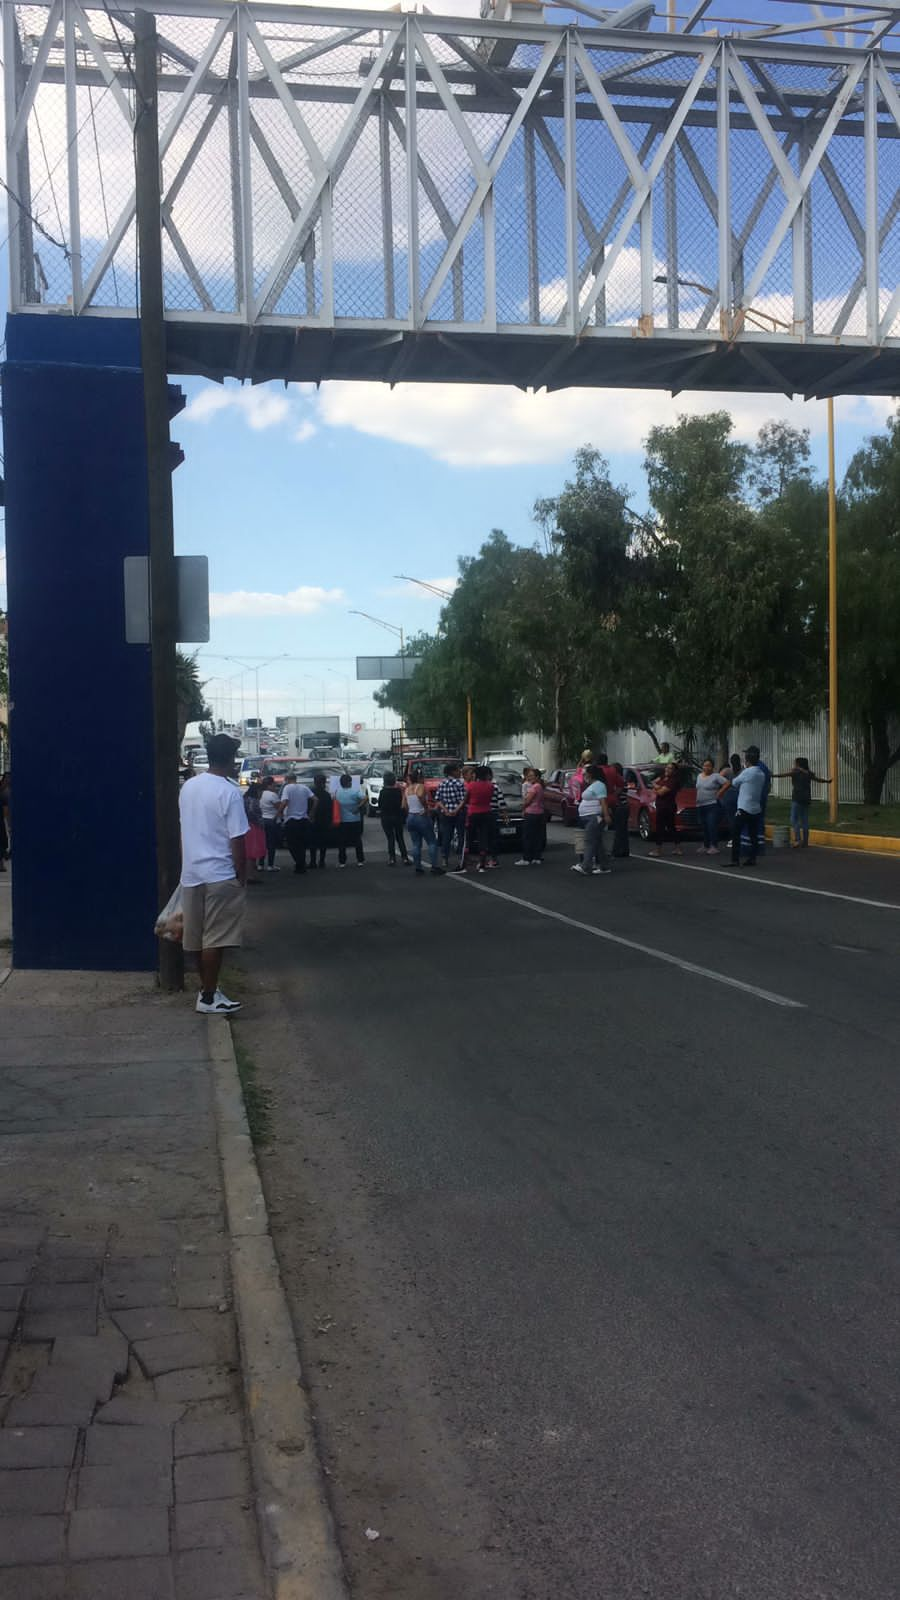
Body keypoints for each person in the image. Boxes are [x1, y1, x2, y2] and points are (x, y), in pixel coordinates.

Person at [178, 733, 247, 1015]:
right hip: (219, 873)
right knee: (216, 939)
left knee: (195, 938)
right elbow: (238, 839)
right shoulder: (229, 792)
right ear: (231, 759)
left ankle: (207, 989)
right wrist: (241, 875)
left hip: (192, 873)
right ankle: (208, 997)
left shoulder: (189, 788)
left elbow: (185, 830)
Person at [774, 756, 832, 848]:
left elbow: (782, 775)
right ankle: (805, 842)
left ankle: (797, 839)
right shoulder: (808, 773)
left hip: (797, 798)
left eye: (795, 763)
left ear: (798, 764)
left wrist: (771, 775)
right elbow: (818, 779)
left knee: (794, 819)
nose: (794, 764)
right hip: (806, 799)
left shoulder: (796, 772)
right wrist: (827, 781)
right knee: (804, 820)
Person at [726, 744, 766, 867]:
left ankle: (735, 859)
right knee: (753, 834)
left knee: (736, 833)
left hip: (744, 807)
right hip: (755, 808)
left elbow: (735, 783)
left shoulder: (747, 772)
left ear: (747, 759)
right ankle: (752, 858)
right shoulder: (761, 773)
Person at [572, 764, 611, 875]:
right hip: (589, 816)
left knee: (589, 841)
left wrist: (606, 815)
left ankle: (586, 866)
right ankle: (604, 866)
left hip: (594, 816)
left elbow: (603, 801)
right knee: (597, 842)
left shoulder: (599, 785)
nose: (584, 775)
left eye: (585, 773)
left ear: (591, 774)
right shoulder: (592, 785)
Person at [406, 767, 443, 875]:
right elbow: (421, 796)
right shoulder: (421, 787)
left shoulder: (407, 789)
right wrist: (426, 808)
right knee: (431, 841)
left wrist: (410, 812)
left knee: (416, 844)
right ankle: (434, 867)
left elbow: (404, 805)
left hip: (411, 817)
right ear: (419, 778)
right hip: (421, 816)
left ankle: (418, 867)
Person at [281, 771, 316, 874]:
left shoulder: (287, 788)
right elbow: (316, 799)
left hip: (291, 819)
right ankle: (300, 864)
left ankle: (299, 862)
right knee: (301, 844)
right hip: (304, 819)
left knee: (292, 844)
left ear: (287, 779)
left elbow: (285, 802)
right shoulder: (304, 787)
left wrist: (278, 813)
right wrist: (312, 813)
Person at [434, 762, 467, 869]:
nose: (460, 772)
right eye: (458, 770)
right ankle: (460, 858)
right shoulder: (460, 783)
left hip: (445, 813)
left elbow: (438, 800)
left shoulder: (441, 784)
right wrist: (456, 810)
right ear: (453, 772)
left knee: (447, 836)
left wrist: (446, 810)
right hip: (459, 813)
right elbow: (463, 800)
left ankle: (445, 859)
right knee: (461, 835)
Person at [695, 757, 728, 854]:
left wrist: (720, 792)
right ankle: (706, 845)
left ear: (712, 767)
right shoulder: (699, 776)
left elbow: (727, 783)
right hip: (700, 804)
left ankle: (714, 845)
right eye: (705, 766)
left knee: (711, 825)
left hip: (712, 804)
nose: (706, 768)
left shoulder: (716, 776)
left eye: (709, 766)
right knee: (704, 825)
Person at [650, 762, 682, 856]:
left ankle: (658, 850)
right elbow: (653, 782)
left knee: (661, 827)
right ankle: (677, 848)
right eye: (667, 768)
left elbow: (661, 793)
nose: (667, 770)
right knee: (671, 827)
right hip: (661, 805)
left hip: (667, 806)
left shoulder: (673, 781)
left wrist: (657, 788)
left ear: (675, 771)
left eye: (670, 768)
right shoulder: (663, 777)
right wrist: (658, 787)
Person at [517, 768, 546, 865]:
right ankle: (536, 857)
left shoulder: (534, 787)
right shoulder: (540, 786)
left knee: (527, 836)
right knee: (537, 836)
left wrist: (522, 807)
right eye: (528, 776)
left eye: (531, 776)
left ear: (537, 777)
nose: (529, 778)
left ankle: (527, 858)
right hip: (540, 813)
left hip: (531, 813)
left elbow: (527, 800)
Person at [379, 771, 410, 865]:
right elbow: (402, 804)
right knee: (400, 837)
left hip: (386, 817)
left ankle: (392, 858)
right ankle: (405, 858)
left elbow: (380, 805)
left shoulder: (383, 792)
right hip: (397, 816)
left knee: (390, 838)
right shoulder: (398, 792)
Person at [336, 773, 365, 866]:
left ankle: (342, 862)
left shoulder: (337, 792)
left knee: (342, 842)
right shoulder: (355, 791)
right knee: (357, 840)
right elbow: (365, 798)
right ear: (349, 782)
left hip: (343, 820)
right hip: (355, 819)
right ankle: (360, 860)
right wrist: (358, 807)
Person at [308, 771, 333, 868]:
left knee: (312, 842)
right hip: (324, 821)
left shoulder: (310, 794)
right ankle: (322, 861)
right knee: (323, 843)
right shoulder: (326, 795)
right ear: (324, 782)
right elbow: (330, 809)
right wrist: (330, 821)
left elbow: (307, 807)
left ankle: (312, 862)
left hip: (312, 821)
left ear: (314, 782)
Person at [243, 783, 267, 881]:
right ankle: (250, 875)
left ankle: (248, 873)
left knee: (248, 852)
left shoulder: (245, 799)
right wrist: (260, 822)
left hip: (246, 826)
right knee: (252, 852)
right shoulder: (254, 801)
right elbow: (253, 813)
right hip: (253, 827)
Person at [259, 777, 281, 871]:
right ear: (269, 785)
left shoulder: (260, 794)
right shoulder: (273, 795)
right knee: (271, 844)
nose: (275, 786)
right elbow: (279, 807)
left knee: (263, 843)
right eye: (273, 785)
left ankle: (260, 864)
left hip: (262, 819)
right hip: (272, 820)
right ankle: (270, 865)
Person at [611, 763, 630, 858]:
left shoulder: (619, 780)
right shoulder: (623, 779)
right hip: (625, 805)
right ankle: (624, 850)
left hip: (620, 806)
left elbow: (616, 793)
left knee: (619, 830)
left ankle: (617, 851)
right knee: (623, 829)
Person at [0, 772, 9, 872]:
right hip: (1, 821)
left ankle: (1, 864)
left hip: (1, 821)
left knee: (2, 841)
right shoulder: (4, 793)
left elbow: (5, 810)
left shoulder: (4, 793)